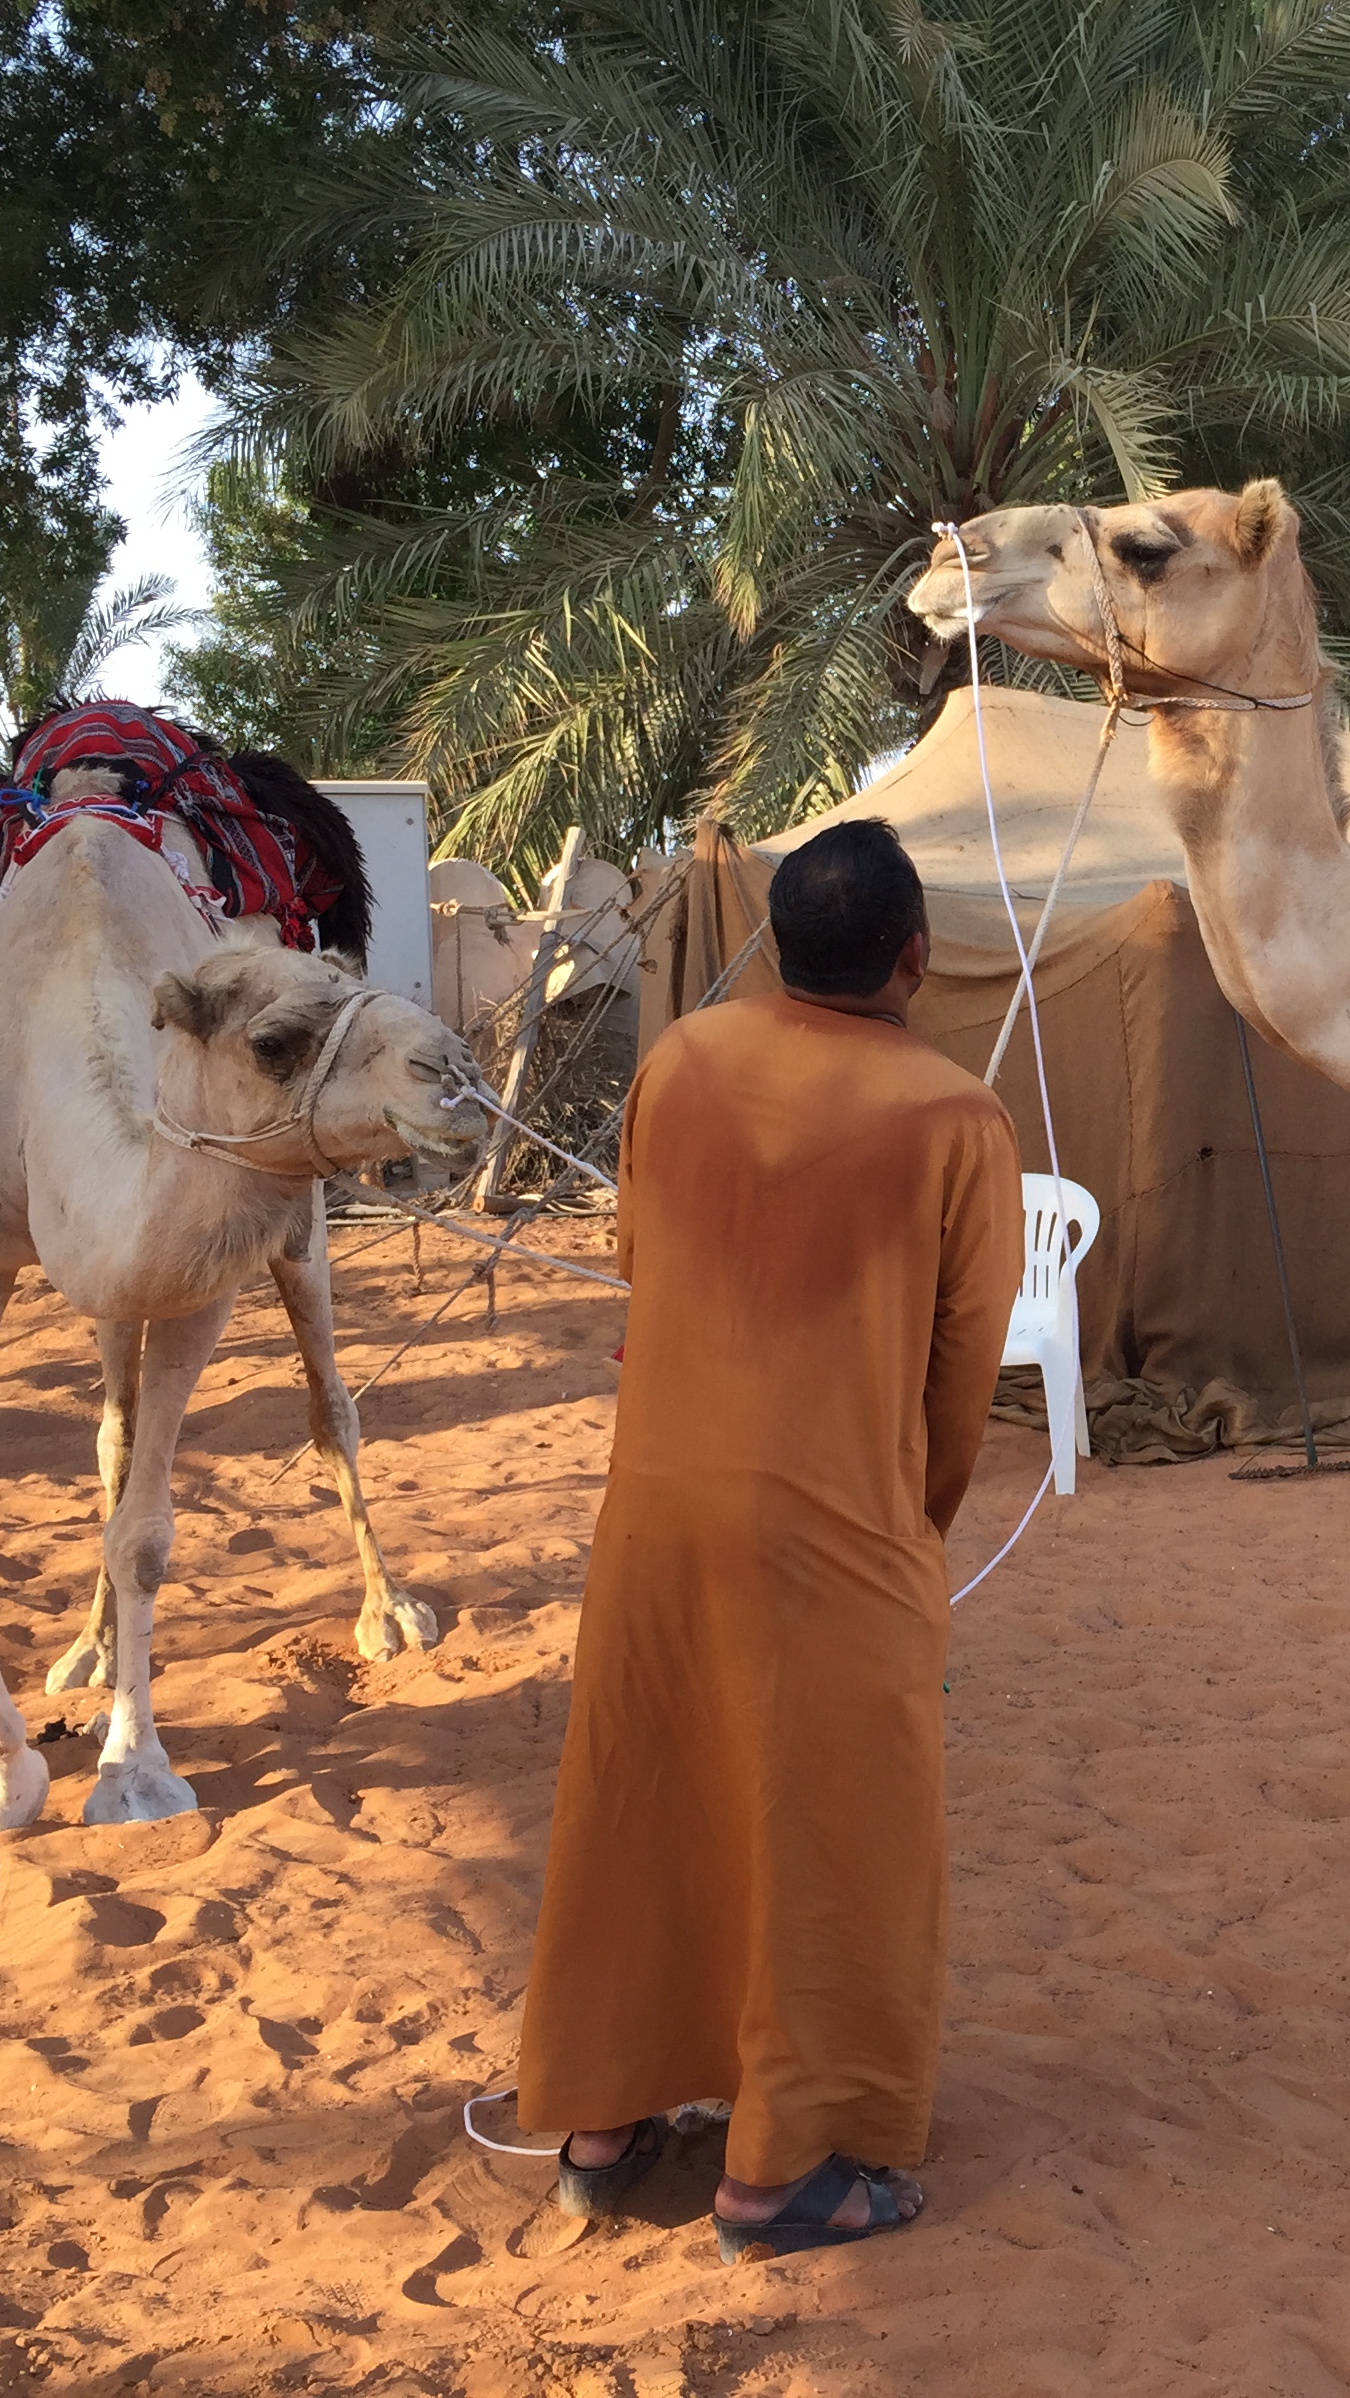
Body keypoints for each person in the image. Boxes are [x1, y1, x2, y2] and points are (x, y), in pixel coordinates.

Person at [516, 819, 1024, 2253]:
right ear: (914, 958)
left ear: (777, 947)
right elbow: (962, 1377)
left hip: (656, 1513)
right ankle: (775, 2173)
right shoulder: (957, 1121)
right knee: (830, 1837)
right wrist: (907, 1533)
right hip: (835, 1530)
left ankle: (603, 2123)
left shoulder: (678, 1063)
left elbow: (641, 1259)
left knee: (645, 1797)